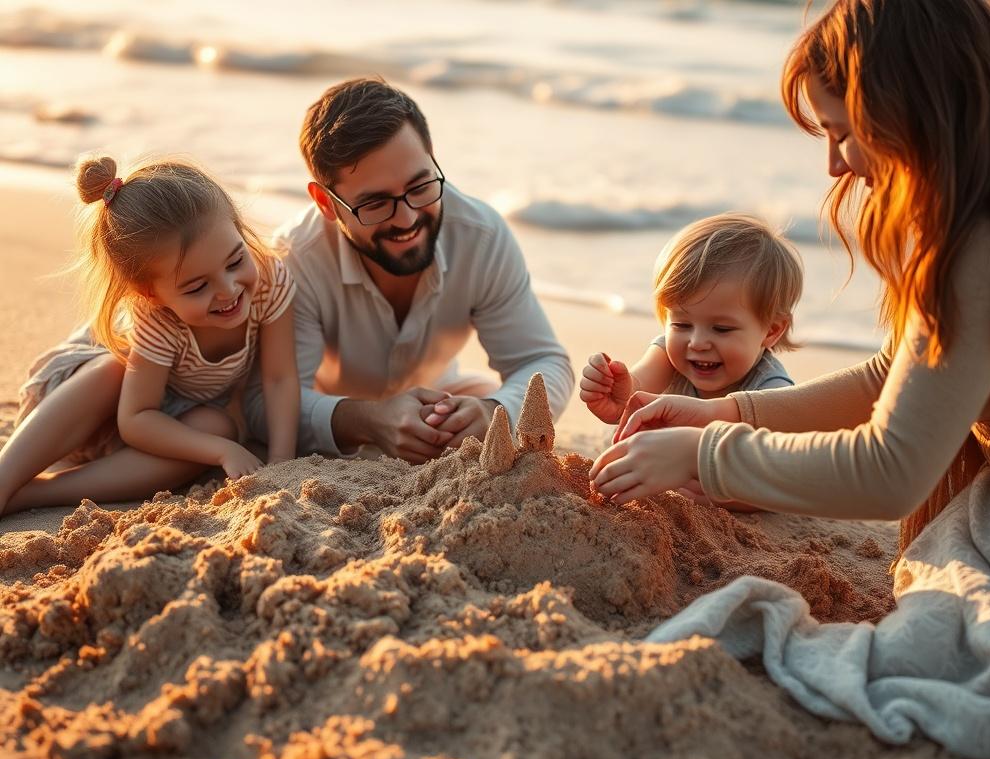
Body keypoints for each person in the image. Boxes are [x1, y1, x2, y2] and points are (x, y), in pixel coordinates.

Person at [592, 0, 990, 759]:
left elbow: (890, 471)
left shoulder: (982, 235)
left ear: (909, 108)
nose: (834, 165)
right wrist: (723, 413)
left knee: (943, 639)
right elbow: (896, 377)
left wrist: (705, 455)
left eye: (842, 131)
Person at [244, 77, 573, 464]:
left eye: (419, 187)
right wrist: (366, 420)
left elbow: (544, 362)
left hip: (444, 400)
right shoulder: (294, 258)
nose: (407, 219)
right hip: (329, 419)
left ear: (432, 157)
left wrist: (491, 412)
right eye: (375, 203)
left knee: (491, 398)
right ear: (326, 203)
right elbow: (262, 402)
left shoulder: (480, 237)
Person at [0, 155, 298, 516]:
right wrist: (222, 453)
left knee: (217, 427)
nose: (229, 289)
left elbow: (279, 378)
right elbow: (136, 418)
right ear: (150, 294)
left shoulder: (269, 280)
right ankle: (4, 478)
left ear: (237, 228)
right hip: (80, 412)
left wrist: (281, 462)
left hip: (158, 424)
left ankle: (34, 494)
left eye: (235, 261)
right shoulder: (157, 318)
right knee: (115, 369)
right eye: (198, 287)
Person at [579, 213, 802, 428]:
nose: (696, 342)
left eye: (721, 329)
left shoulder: (772, 392)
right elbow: (635, 392)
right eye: (682, 325)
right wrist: (618, 393)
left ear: (771, 331)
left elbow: (779, 444)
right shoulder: (668, 356)